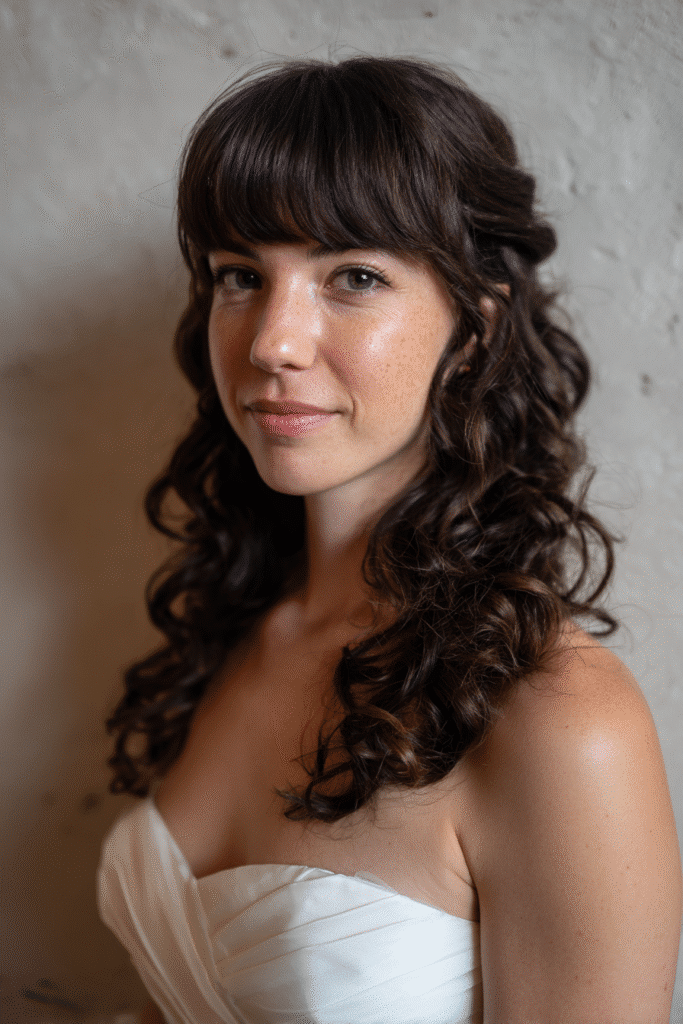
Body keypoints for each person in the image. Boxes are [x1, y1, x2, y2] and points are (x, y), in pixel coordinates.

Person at [97, 55, 682, 1024]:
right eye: (240, 275)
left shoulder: (553, 718)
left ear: (471, 329)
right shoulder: (233, 630)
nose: (270, 342)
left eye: (352, 276)